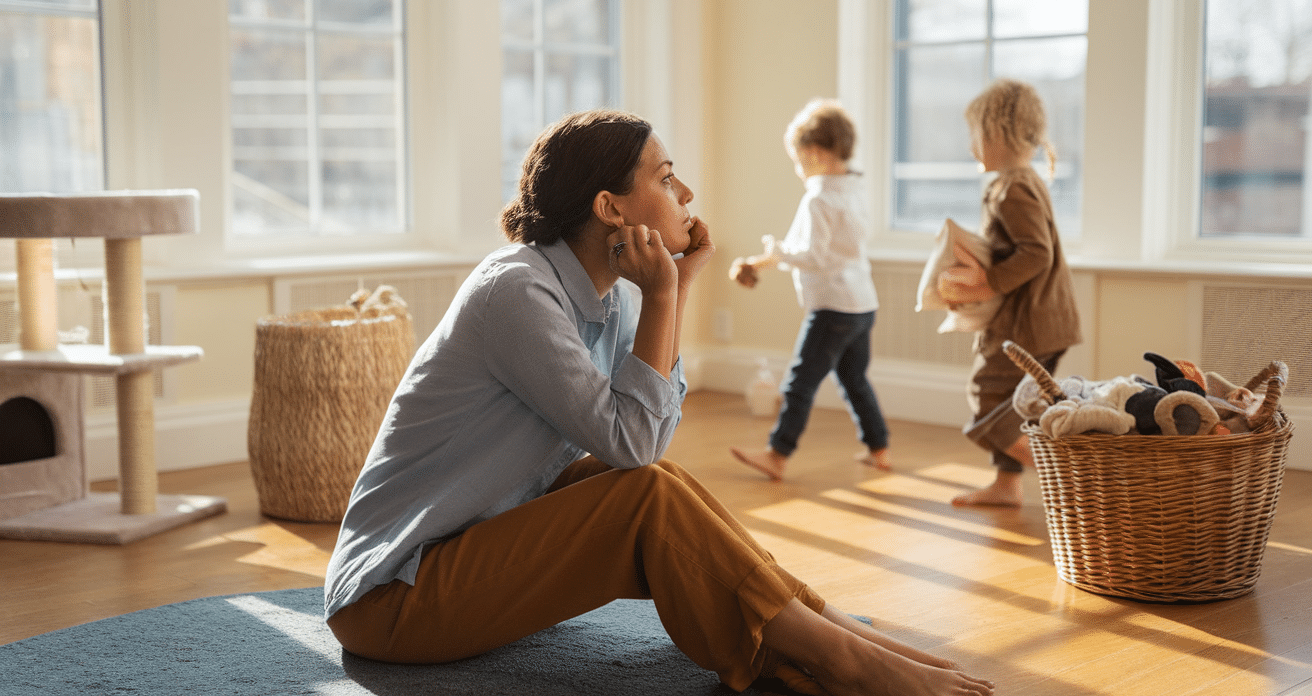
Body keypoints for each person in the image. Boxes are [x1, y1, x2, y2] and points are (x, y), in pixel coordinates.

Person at [323, 109, 994, 696]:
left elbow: (649, 445)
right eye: (667, 177)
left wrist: (669, 290)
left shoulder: (608, 294)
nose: (688, 193)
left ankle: (832, 632)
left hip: (476, 540)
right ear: (611, 208)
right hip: (392, 596)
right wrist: (668, 295)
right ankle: (843, 660)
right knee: (644, 491)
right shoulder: (517, 293)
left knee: (658, 484)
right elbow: (632, 441)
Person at [728, 99, 890, 482]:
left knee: (799, 382)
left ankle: (778, 453)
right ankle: (878, 448)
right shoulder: (854, 190)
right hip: (862, 303)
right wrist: (768, 260)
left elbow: (813, 256)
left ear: (815, 154)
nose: (798, 170)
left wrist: (774, 252)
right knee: (854, 379)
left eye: (798, 161)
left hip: (832, 306)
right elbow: (832, 251)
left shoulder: (819, 198)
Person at [939, 79, 1082, 508]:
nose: (971, 148)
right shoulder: (1023, 180)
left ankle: (1067, 468)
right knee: (1012, 403)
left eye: (975, 136)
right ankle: (1007, 484)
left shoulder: (1013, 187)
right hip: (1042, 320)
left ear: (997, 134)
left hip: (1031, 324)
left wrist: (987, 282)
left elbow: (1035, 253)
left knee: (988, 399)